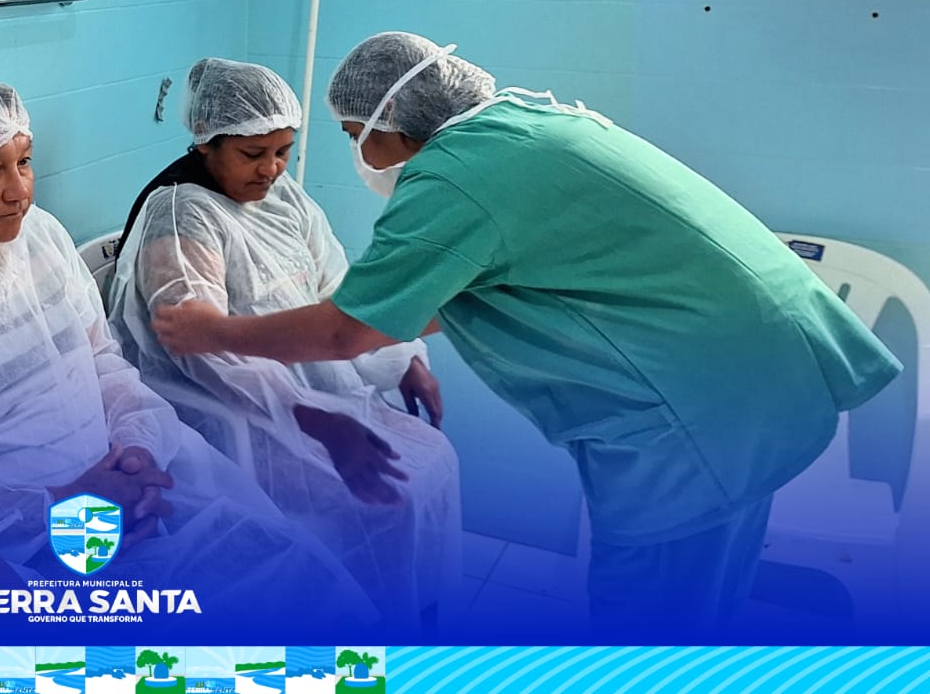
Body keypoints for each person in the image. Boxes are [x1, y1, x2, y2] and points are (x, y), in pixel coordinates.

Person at [152, 33, 903, 642]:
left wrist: (214, 331)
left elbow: (350, 325)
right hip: (762, 373)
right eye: (256, 153)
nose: (354, 158)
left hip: (696, 414)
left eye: (354, 136)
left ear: (390, 123)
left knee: (650, 625)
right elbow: (464, 290)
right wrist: (388, 344)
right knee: (702, 608)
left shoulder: (454, 178)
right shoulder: (527, 125)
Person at [0, 75, 377, 635]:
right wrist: (62, 505)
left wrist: (137, 456)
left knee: (300, 574)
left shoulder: (39, 235)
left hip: (119, 490)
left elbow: (102, 361)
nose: (19, 191)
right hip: (8, 541)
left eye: (24, 162)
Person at [108, 58, 463, 630]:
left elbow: (338, 286)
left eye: (284, 151)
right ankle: (363, 635)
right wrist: (314, 419)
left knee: (433, 461)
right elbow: (204, 353)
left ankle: (412, 627)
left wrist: (401, 360)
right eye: (253, 153)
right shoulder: (181, 215)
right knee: (385, 499)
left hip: (318, 392)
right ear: (206, 141)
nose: (271, 169)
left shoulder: (282, 197)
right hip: (240, 416)